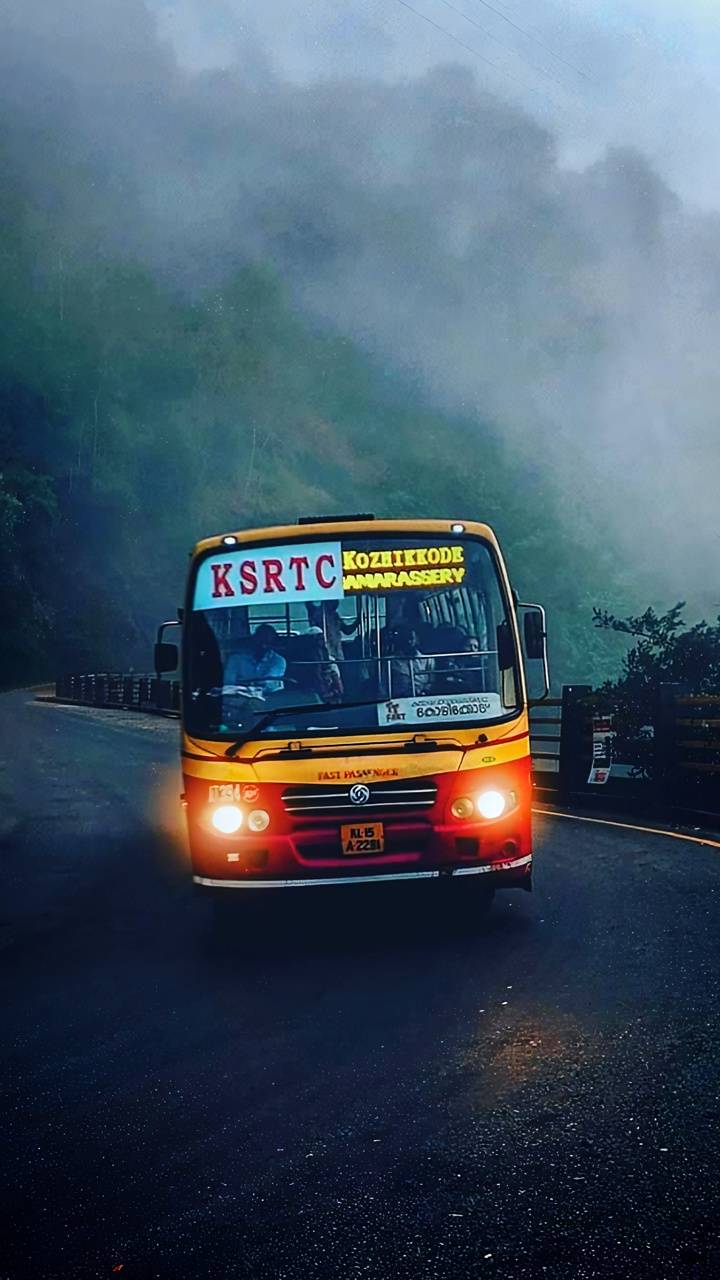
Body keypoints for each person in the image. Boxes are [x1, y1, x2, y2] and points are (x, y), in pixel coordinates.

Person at [224, 623, 286, 696]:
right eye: (260, 640)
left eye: (267, 642)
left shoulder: (278, 661)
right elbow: (228, 682)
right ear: (254, 639)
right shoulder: (236, 659)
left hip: (271, 699)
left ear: (273, 643)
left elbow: (268, 684)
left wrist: (245, 687)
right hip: (238, 697)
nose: (263, 646)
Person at [382, 624, 434, 698]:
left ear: (416, 640)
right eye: (406, 639)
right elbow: (383, 686)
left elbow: (431, 682)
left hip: (422, 697)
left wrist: (424, 691)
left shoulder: (428, 660)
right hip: (398, 698)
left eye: (412, 639)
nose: (409, 642)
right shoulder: (390, 661)